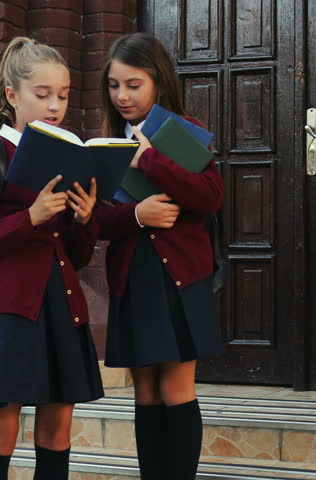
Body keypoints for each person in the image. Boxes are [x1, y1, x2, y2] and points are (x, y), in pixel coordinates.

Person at [0, 36, 104, 480]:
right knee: (1, 431)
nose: (55, 105)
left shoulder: (69, 154)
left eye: (63, 95)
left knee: (58, 430)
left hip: (62, 305)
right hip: (11, 311)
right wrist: (30, 218)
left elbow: (75, 253)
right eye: (43, 94)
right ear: (12, 95)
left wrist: (86, 220)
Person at [94, 32, 224, 480]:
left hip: (181, 279)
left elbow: (209, 198)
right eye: (114, 85)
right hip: (134, 278)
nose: (123, 95)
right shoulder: (106, 143)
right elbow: (92, 222)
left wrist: (150, 160)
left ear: (157, 81)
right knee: (144, 391)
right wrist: (137, 216)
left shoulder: (181, 133)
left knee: (176, 386)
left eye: (133, 84)